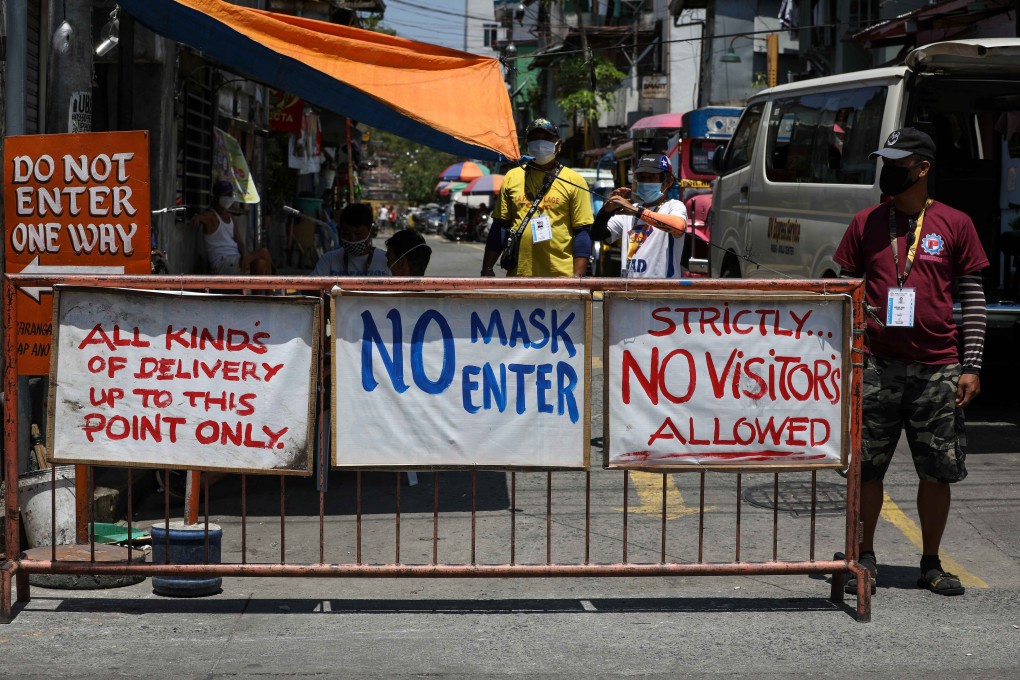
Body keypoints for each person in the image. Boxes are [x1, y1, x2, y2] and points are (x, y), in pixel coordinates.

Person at [833, 128, 988, 597]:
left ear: (921, 168)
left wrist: (972, 364)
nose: (889, 169)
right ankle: (864, 557)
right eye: (887, 160)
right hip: (875, 365)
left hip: (937, 368)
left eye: (898, 162)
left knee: (937, 471)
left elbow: (973, 298)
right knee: (867, 469)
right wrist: (844, 360)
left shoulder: (955, 223)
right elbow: (846, 294)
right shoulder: (865, 223)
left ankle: (931, 563)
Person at [481, 118, 594, 277]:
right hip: (519, 276)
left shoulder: (575, 181)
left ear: (559, 145)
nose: (540, 144)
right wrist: (487, 268)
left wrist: (578, 279)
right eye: (534, 139)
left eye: (547, 139)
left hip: (561, 278)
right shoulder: (512, 177)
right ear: (527, 145)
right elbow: (500, 226)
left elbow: (582, 232)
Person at [591, 154, 687, 278]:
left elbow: (679, 226)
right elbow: (597, 235)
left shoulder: (673, 206)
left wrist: (636, 211)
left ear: (668, 182)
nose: (645, 182)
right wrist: (606, 210)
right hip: (629, 291)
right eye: (641, 177)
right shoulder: (629, 211)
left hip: (662, 291)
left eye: (651, 178)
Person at [194, 179, 273, 275]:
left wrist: (244, 256)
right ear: (216, 198)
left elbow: (240, 242)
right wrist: (197, 218)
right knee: (263, 252)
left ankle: (263, 289)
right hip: (222, 262)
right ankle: (273, 288)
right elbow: (201, 217)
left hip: (236, 259)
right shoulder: (211, 216)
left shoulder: (230, 217)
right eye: (226, 195)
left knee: (261, 263)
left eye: (230, 195)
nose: (229, 198)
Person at [310, 202, 389, 276]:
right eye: (346, 234)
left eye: (358, 234)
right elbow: (311, 287)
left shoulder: (387, 261)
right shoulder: (329, 260)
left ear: (371, 232)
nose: (352, 239)